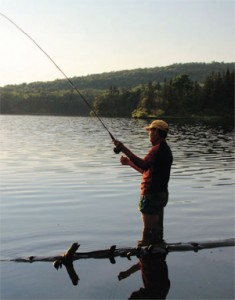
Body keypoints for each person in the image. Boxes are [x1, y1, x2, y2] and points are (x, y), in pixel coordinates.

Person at [114, 120, 173, 246]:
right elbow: (147, 170)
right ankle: (157, 259)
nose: (149, 134)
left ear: (156, 132)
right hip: (161, 195)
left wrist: (123, 148)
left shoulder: (156, 150)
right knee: (157, 231)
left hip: (151, 196)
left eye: (150, 131)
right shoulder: (166, 150)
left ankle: (145, 260)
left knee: (148, 232)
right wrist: (129, 163)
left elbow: (143, 164)